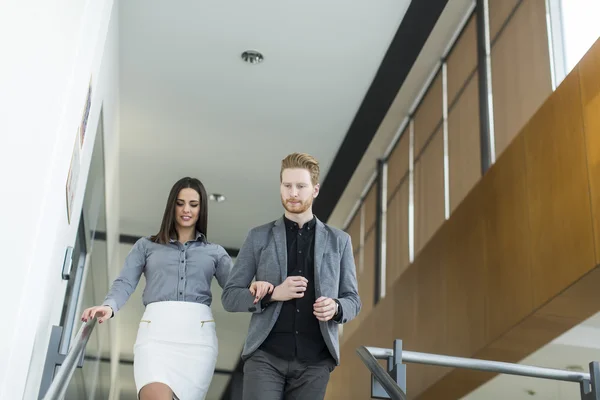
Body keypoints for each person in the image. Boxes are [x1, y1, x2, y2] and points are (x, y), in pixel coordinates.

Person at [81, 177, 272, 400]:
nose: (186, 210)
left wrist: (256, 288)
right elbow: (125, 282)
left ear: (202, 209)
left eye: (193, 204)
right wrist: (109, 306)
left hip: (197, 342)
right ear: (171, 206)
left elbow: (234, 290)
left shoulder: (215, 252)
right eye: (180, 203)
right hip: (155, 338)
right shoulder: (146, 246)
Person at [221, 152, 361, 400]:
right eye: (287, 186)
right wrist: (273, 294)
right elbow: (230, 297)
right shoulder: (258, 236)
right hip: (265, 356)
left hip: (316, 362)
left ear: (315, 190)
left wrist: (336, 307)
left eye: (301, 186)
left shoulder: (339, 241)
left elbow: (353, 300)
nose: (293, 193)